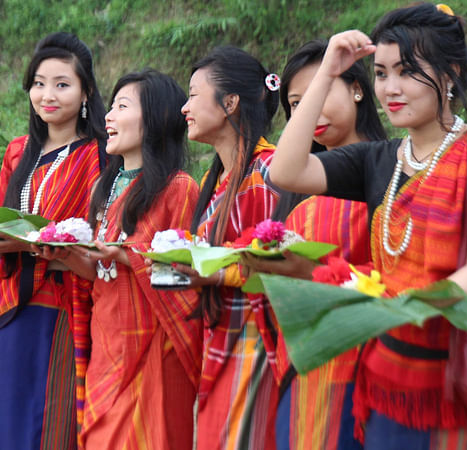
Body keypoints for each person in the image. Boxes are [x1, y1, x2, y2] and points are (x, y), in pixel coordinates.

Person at [269, 4, 467, 448]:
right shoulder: (382, 160)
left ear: (449, 74)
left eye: (407, 72)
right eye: (381, 73)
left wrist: (397, 308)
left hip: (465, 376)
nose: (391, 88)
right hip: (390, 379)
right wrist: (327, 71)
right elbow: (286, 170)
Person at [44, 69, 201, 449]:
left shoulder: (179, 187)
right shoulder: (104, 186)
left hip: (155, 350)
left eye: (121, 107)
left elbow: (181, 276)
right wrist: (65, 255)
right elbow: (101, 270)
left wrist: (128, 256)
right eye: (110, 107)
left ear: (156, 118)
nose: (107, 118)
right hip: (108, 343)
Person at [242, 39, 386, 450]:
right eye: (297, 104)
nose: (312, 112)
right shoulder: (296, 184)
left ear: (358, 88)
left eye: (321, 93)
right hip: (301, 361)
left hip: (365, 360)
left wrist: (318, 274)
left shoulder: (388, 167)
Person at [0, 32, 107, 449]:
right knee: (1, 422)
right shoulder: (18, 151)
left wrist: (22, 244)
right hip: (9, 302)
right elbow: (0, 219)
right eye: (38, 83)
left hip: (62, 305)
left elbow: (95, 233)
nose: (47, 94)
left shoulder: (100, 153)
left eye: (62, 84)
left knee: (47, 421)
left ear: (86, 91)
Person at [176, 46, 282, 449]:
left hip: (256, 342)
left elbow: (278, 261)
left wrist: (219, 273)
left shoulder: (267, 169)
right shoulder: (218, 176)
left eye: (193, 94)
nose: (184, 107)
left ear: (230, 103)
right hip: (221, 336)